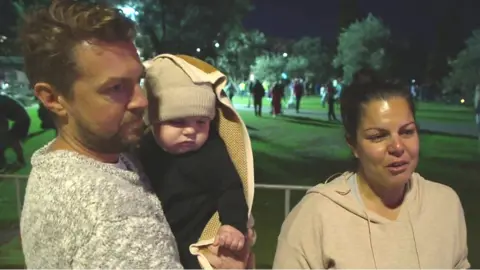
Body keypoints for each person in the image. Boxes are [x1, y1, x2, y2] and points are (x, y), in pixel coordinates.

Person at [19, 1, 253, 268]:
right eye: (116, 87)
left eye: (139, 81)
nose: (141, 101)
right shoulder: (110, 217)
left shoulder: (76, 159)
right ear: (53, 98)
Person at [273, 79, 469, 269]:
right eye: (378, 136)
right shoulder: (317, 215)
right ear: (353, 145)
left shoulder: (445, 205)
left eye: (407, 132)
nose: (398, 146)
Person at [137, 54, 250, 269]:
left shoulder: (212, 151)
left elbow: (231, 188)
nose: (190, 131)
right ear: (153, 122)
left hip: (196, 240)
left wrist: (233, 225)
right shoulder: (143, 149)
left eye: (201, 122)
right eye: (177, 121)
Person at [0, 94, 30, 172]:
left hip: (22, 121)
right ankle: (19, 161)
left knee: (6, 141)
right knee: (11, 140)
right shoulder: (2, 98)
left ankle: (4, 165)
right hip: (23, 119)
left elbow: (3, 123)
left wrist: (4, 134)